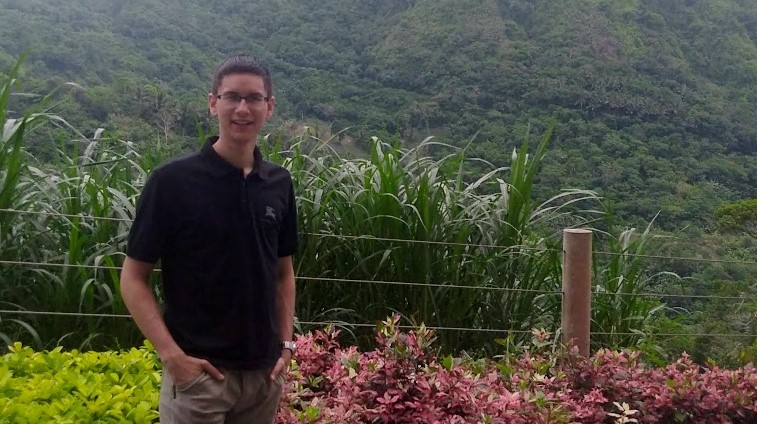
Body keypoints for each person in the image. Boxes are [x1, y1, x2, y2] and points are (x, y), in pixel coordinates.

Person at [120, 55, 298, 424]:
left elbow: (283, 273)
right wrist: (171, 356)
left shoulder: (279, 183)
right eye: (232, 97)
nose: (243, 108)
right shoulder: (171, 182)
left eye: (254, 98)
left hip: (263, 378)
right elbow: (133, 278)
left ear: (270, 107)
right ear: (213, 102)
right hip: (199, 379)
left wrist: (286, 345)